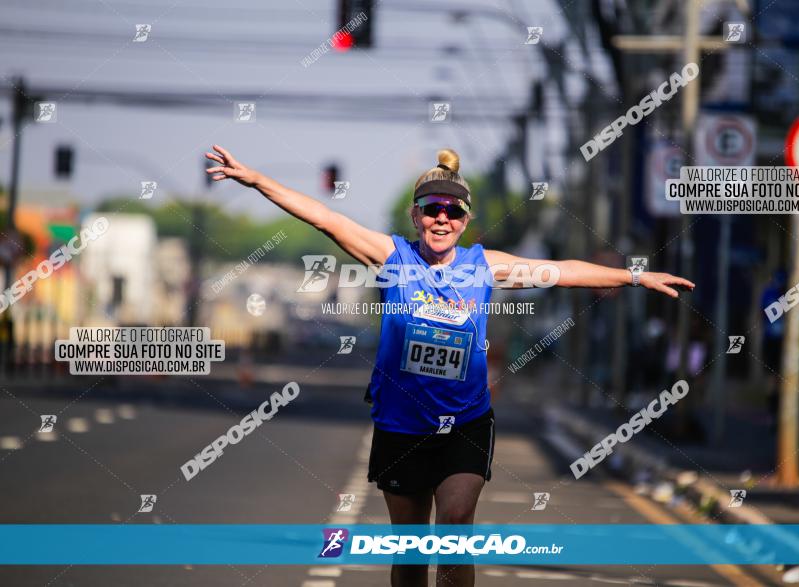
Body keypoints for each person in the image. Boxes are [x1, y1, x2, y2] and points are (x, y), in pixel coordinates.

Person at [205, 145, 695, 587]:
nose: (442, 218)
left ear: (464, 220)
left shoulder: (484, 265)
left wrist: (635, 275)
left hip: (465, 422)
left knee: (457, 526)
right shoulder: (391, 258)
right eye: (431, 210)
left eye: (452, 211)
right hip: (401, 425)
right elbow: (325, 218)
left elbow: (564, 272)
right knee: (412, 551)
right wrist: (256, 180)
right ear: (416, 216)